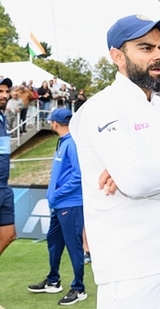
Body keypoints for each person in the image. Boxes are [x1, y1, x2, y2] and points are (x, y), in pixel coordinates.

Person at [69, 14, 160, 308]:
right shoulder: (100, 108)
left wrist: (138, 177)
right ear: (117, 56)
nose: (158, 56)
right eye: (146, 48)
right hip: (129, 270)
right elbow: (135, 181)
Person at [27, 108, 88, 305]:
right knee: (54, 244)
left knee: (74, 247)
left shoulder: (72, 144)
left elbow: (78, 176)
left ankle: (79, 289)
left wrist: (57, 193)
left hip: (70, 204)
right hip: (59, 204)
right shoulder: (63, 142)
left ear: (55, 123)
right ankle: (53, 281)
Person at [0, 77, 16, 256]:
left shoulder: (3, 118)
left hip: (4, 186)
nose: (4, 95)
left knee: (9, 234)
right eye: (0, 92)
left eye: (6, 91)